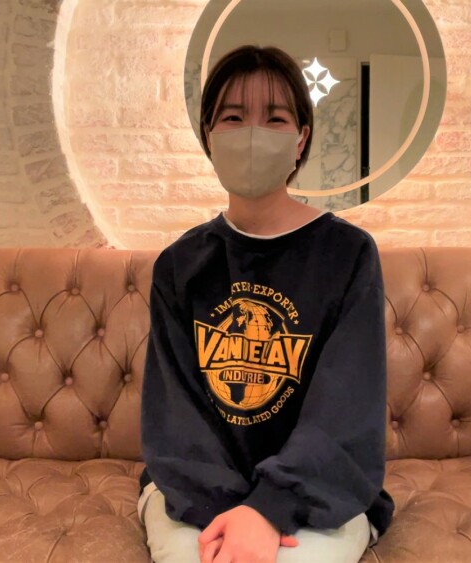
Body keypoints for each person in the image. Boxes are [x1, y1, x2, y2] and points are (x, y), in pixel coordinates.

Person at [138, 44, 394, 563]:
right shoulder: (179, 265)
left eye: (275, 118)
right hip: (194, 492)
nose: (253, 133)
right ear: (209, 137)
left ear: (301, 139)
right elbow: (175, 418)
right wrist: (236, 513)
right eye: (233, 117)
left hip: (316, 494)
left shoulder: (347, 255)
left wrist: (269, 508)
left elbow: (345, 411)